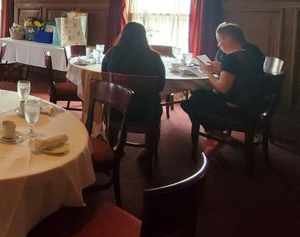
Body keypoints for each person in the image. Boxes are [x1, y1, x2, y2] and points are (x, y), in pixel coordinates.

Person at [101, 23, 166, 155]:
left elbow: (105, 79)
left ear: (123, 35)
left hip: (116, 110)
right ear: (144, 37)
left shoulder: (111, 53)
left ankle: (112, 148)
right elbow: (160, 86)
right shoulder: (154, 58)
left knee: (109, 105)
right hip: (147, 112)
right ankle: (149, 152)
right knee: (153, 105)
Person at [182, 23, 263, 121]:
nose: (218, 44)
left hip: (236, 110)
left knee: (188, 103)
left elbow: (223, 88)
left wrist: (208, 72)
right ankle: (213, 129)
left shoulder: (230, 59)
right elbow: (240, 76)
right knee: (199, 94)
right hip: (253, 106)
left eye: (219, 41)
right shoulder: (248, 55)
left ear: (228, 39)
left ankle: (214, 129)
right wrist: (221, 69)